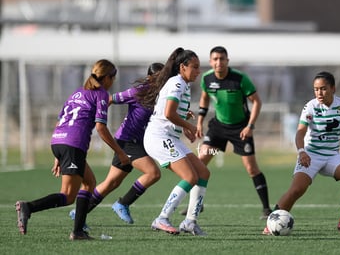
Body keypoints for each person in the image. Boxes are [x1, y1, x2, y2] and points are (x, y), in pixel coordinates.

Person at [15, 59, 130, 240]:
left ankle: (78, 231)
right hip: (73, 144)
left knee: (90, 182)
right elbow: (101, 128)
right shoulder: (100, 94)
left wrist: (58, 156)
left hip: (58, 141)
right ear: (107, 77)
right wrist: (121, 152)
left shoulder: (77, 93)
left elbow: (61, 121)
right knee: (68, 196)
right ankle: (28, 207)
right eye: (113, 78)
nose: (113, 82)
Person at [263, 71, 340, 235]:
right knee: (297, 190)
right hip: (310, 155)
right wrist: (301, 151)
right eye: (316, 89)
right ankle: (271, 223)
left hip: (333, 156)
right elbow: (299, 133)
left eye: (323, 89)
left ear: (333, 88)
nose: (319, 93)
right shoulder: (310, 106)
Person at [181, 45, 271, 219]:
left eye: (222, 59)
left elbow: (257, 102)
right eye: (215, 59)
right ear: (210, 62)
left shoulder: (240, 78)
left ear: (227, 61)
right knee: (201, 162)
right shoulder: (206, 79)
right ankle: (197, 204)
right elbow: (204, 98)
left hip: (241, 130)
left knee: (252, 168)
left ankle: (267, 208)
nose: (218, 62)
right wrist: (199, 121)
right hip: (218, 128)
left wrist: (250, 126)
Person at [68, 63, 164, 227]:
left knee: (111, 183)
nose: (163, 81)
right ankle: (123, 203)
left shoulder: (160, 96)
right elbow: (110, 99)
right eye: (160, 78)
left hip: (134, 142)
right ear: (150, 78)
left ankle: (79, 213)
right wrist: (95, 114)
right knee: (153, 173)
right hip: (127, 141)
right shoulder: (138, 92)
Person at [142, 47, 210, 236]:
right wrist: (189, 126)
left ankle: (190, 222)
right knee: (190, 177)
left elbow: (173, 114)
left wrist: (184, 128)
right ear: (182, 67)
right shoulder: (177, 84)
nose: (198, 71)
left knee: (203, 172)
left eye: (199, 67)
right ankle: (162, 218)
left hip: (169, 137)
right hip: (158, 137)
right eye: (195, 67)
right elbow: (168, 113)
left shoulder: (182, 84)